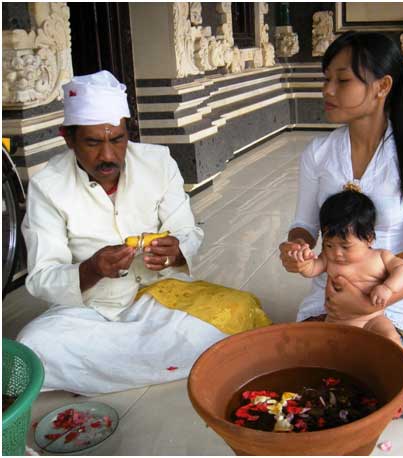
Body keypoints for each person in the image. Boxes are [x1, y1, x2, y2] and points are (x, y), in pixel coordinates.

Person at [17, 70, 270, 396]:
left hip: (160, 294)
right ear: (67, 138)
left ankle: (99, 370)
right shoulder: (48, 186)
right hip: (90, 309)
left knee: (239, 308)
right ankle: (148, 360)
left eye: (117, 140)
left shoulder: (157, 162)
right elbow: (42, 276)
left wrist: (176, 249)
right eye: (93, 142)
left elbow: (187, 230)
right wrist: (92, 269)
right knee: (32, 345)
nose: (108, 155)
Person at [278, 31, 403, 419]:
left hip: (392, 299)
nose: (327, 90)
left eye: (342, 79)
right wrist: (297, 248)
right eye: (326, 78)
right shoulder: (319, 153)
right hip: (328, 296)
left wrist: (374, 300)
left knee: (382, 376)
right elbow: (304, 224)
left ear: (382, 86)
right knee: (303, 375)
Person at [287, 190, 403, 348]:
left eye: (345, 246)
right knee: (318, 348)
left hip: (372, 319)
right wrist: (303, 261)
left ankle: (400, 366)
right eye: (328, 245)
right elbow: (312, 269)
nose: (336, 253)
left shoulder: (380, 257)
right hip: (336, 321)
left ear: (369, 238)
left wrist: (387, 288)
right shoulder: (328, 258)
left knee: (390, 337)